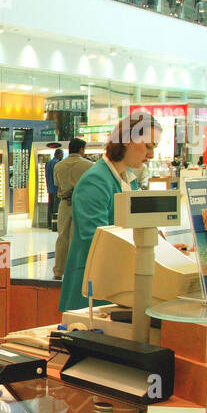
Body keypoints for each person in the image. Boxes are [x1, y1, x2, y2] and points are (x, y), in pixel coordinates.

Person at [58, 113, 161, 311]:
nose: (151, 155)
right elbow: (95, 241)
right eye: (148, 146)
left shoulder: (128, 180)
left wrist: (159, 247)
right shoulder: (96, 181)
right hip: (93, 292)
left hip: (117, 285)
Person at [52, 138, 94, 280]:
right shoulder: (89, 165)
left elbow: (57, 183)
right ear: (81, 149)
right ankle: (76, 271)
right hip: (81, 203)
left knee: (62, 237)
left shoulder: (58, 166)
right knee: (78, 237)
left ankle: (58, 271)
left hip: (64, 204)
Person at [45, 147, 64, 230]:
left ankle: (49, 224)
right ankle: (55, 226)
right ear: (59, 154)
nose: (62, 156)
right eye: (62, 154)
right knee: (56, 208)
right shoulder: (57, 163)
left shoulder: (48, 163)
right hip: (56, 188)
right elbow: (58, 176)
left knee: (50, 206)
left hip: (50, 188)